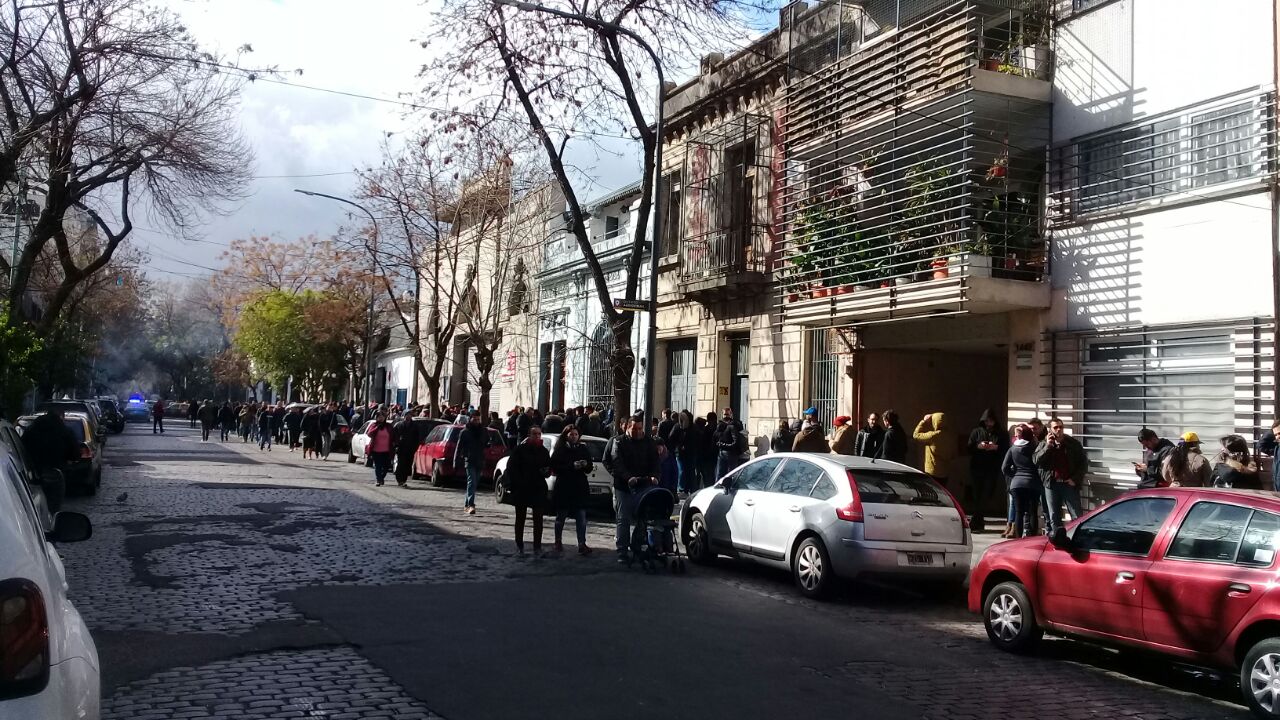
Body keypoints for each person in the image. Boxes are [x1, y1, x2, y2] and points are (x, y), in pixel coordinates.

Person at [605, 416, 659, 563]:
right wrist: (627, 477)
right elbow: (616, 462)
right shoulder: (619, 442)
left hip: (643, 485)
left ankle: (636, 545)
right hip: (624, 486)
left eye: (640, 429)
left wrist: (654, 476)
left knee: (643, 518)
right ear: (627, 427)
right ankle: (622, 551)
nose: (637, 432)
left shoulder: (648, 442)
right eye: (634, 428)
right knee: (624, 518)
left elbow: (655, 461)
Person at [1033, 416, 1087, 534]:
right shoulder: (1044, 444)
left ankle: (1076, 537)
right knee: (1054, 516)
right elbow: (1036, 461)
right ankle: (1057, 539)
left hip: (1069, 483)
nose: (1059, 430)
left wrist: (1075, 479)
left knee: (1076, 516)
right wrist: (1048, 446)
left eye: (1061, 427)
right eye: (1055, 427)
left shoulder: (1072, 443)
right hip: (1051, 484)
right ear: (1050, 430)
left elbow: (1083, 463)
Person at [507, 426, 553, 556]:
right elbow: (511, 467)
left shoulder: (543, 451)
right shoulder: (520, 449)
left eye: (539, 434)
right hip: (522, 488)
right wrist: (518, 482)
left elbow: (548, 468)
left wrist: (547, 471)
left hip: (537, 488)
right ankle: (519, 544)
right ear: (529, 435)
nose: (537, 436)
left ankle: (537, 546)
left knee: (538, 518)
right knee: (520, 518)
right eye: (534, 434)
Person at [551, 426, 593, 555]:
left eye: (576, 434)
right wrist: (571, 466)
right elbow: (555, 467)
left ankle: (582, 544)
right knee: (561, 516)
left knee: (581, 516)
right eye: (571, 434)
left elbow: (589, 467)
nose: (574, 436)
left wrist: (585, 465)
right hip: (564, 486)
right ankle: (558, 541)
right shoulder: (560, 449)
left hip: (579, 487)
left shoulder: (583, 449)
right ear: (566, 435)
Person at [967, 409, 1009, 533]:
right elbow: (969, 447)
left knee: (987, 493)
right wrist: (979, 446)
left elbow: (1005, 448)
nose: (988, 423)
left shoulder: (1001, 434)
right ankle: (977, 520)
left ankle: (978, 519)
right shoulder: (977, 432)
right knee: (977, 494)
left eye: (990, 421)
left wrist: (995, 447)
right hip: (977, 466)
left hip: (992, 467)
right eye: (986, 421)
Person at [1003, 425, 1039, 538]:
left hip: (1016, 484)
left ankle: (1018, 538)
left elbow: (1004, 468)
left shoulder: (1012, 449)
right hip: (1033, 483)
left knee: (1019, 511)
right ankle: (1032, 537)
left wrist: (1015, 475)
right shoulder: (1034, 447)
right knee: (1033, 511)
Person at [21, 410, 78, 476]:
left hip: (33, 471)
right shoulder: (66, 432)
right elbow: (75, 454)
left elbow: (22, 446)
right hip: (57, 472)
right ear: (61, 417)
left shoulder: (33, 429)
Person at [455, 411, 491, 514]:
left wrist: (488, 444)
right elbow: (459, 447)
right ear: (470, 419)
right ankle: (471, 505)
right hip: (469, 459)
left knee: (474, 484)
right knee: (472, 482)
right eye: (474, 419)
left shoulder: (483, 431)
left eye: (478, 419)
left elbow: (487, 442)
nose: (476, 421)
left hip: (480, 460)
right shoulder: (465, 432)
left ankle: (467, 505)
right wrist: (456, 461)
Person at [913, 412, 953, 487]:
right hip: (944, 473)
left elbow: (916, 435)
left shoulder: (933, 436)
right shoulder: (950, 436)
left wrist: (923, 421)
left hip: (932, 473)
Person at [669, 410, 699, 495]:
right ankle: (682, 489)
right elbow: (671, 438)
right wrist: (678, 446)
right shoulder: (678, 427)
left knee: (689, 471)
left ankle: (688, 488)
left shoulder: (693, 428)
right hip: (681, 453)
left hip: (690, 453)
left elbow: (698, 440)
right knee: (682, 470)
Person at [365, 410, 396, 486]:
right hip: (376, 450)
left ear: (385, 418)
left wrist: (395, 443)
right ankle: (379, 480)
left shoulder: (388, 426)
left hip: (387, 450)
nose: (381, 418)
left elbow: (393, 436)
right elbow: (369, 434)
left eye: (382, 417)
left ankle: (381, 477)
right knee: (378, 466)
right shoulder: (374, 425)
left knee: (386, 467)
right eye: (379, 417)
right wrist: (377, 428)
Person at [714, 408, 746, 481]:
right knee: (719, 475)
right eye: (724, 414)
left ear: (731, 415)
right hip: (722, 453)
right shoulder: (720, 425)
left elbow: (736, 442)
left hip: (731, 454)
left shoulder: (734, 425)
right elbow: (715, 438)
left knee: (731, 475)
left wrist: (723, 445)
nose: (726, 416)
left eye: (727, 414)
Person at [392, 412, 419, 488]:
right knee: (401, 464)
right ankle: (399, 479)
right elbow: (394, 435)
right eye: (407, 415)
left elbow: (417, 437)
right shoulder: (399, 425)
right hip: (401, 448)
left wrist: (415, 447)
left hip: (410, 448)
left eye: (410, 415)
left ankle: (404, 480)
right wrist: (396, 445)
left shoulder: (414, 426)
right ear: (404, 416)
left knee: (408, 464)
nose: (408, 416)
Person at [1257, 420, 1280, 491]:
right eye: (1275, 435)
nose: (1277, 437)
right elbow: (1261, 445)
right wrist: (1273, 429)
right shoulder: (1277, 448)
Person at [698, 413, 718, 487]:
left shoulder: (705, 429)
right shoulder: (719, 428)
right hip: (716, 454)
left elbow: (702, 442)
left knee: (708, 475)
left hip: (707, 455)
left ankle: (709, 487)